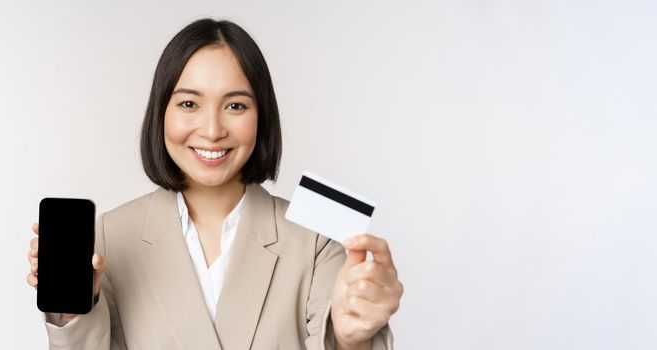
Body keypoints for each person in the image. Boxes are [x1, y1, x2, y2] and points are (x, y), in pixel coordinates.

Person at [26, 18, 402, 350]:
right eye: (189, 104)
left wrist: (352, 340)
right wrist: (71, 313)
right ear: (161, 113)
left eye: (235, 106)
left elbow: (339, 337)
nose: (211, 130)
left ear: (262, 117)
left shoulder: (315, 238)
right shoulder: (112, 233)